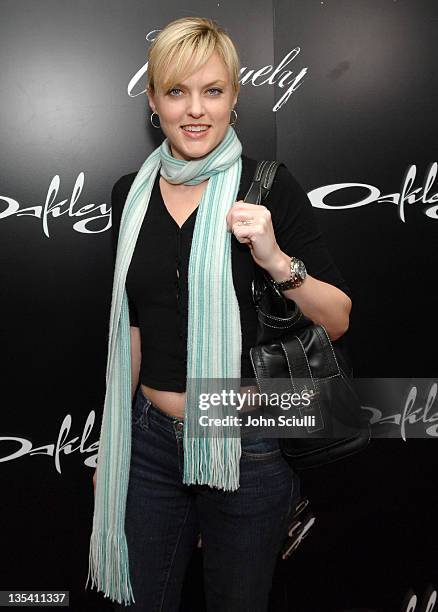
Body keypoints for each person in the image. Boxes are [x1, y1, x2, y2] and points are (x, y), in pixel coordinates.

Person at [88, 16, 352, 612]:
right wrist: (115, 449)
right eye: (177, 91)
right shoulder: (129, 193)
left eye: (212, 90)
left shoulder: (268, 187)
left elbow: (337, 319)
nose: (195, 110)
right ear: (153, 102)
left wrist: (275, 257)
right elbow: (132, 328)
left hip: (247, 441)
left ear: (234, 97)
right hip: (150, 440)